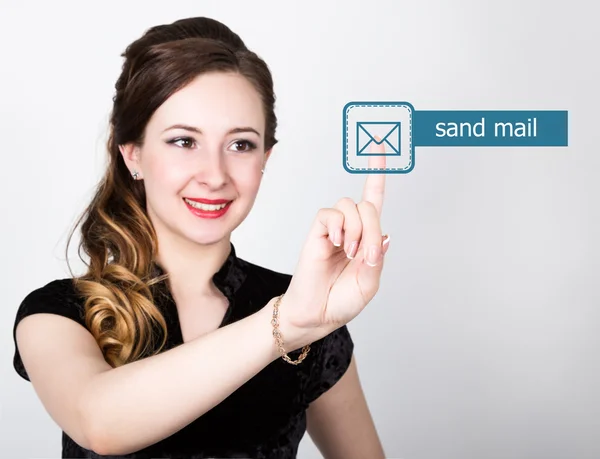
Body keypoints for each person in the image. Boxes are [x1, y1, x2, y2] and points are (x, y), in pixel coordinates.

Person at [11, 16, 390, 459]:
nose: (214, 176)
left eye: (240, 145)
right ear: (132, 153)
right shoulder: (59, 313)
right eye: (183, 141)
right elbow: (99, 423)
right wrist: (286, 324)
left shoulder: (311, 312)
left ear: (266, 157)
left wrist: (302, 320)